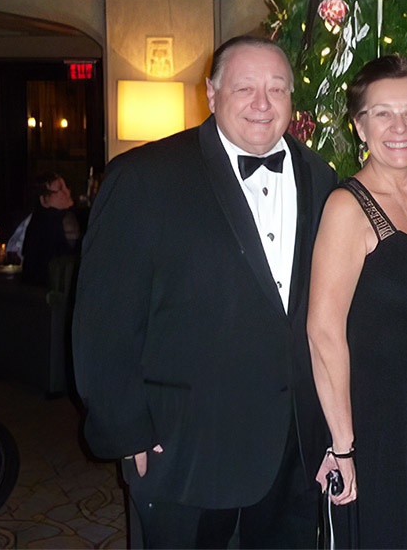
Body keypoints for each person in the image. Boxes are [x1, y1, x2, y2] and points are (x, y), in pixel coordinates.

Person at [72, 36, 337, 548]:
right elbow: (104, 320)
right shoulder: (143, 178)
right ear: (212, 94)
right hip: (184, 450)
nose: (262, 103)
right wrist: (125, 428)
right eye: (245, 88)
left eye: (276, 89)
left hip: (293, 452)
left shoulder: (321, 178)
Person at [307, 56, 407, 548]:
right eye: (382, 113)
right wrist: (344, 445)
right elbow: (323, 331)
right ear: (360, 126)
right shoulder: (347, 206)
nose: (399, 127)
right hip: (378, 420)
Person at [20, 172, 80, 285]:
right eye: (60, 189)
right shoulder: (45, 224)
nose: (67, 192)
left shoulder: (69, 217)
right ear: (43, 200)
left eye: (67, 187)